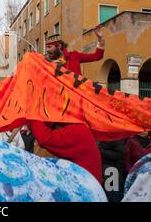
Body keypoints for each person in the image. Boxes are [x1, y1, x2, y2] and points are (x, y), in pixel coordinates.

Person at [27, 26, 106, 184]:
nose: (47, 50)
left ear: (59, 47)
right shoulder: (46, 65)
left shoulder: (74, 57)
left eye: (50, 47)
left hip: (74, 110)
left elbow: (97, 56)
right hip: (55, 113)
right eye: (47, 48)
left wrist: (100, 40)